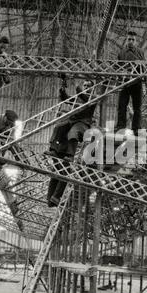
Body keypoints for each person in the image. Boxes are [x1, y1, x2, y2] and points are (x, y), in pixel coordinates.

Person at [46, 79, 98, 207]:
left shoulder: (93, 97)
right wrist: (62, 89)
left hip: (82, 124)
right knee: (59, 126)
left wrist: (78, 88)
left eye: (88, 85)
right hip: (71, 124)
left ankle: (70, 155)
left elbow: (85, 98)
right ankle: (54, 149)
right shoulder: (78, 98)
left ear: (92, 88)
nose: (86, 87)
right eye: (84, 85)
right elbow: (66, 99)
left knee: (73, 133)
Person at [115, 31, 145, 136]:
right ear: (126, 40)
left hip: (137, 83)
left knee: (138, 107)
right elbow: (117, 67)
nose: (131, 41)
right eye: (129, 39)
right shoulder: (121, 53)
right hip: (125, 83)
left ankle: (136, 129)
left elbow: (144, 67)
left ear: (135, 41)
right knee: (121, 106)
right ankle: (120, 127)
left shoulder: (141, 52)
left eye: (133, 39)